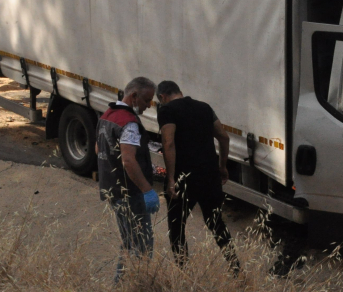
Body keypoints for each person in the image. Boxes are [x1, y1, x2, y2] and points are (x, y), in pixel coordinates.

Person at [156, 80, 239, 271]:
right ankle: (236, 269)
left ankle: (184, 274)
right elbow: (224, 137)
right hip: (209, 176)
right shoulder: (205, 108)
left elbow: (168, 143)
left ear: (162, 97)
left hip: (183, 179)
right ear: (180, 92)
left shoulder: (166, 111)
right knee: (216, 223)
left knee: (177, 227)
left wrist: (170, 179)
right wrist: (222, 166)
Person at [96, 76, 160, 281]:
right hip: (130, 193)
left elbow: (99, 149)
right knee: (141, 246)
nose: (148, 106)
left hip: (112, 190)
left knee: (128, 242)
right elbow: (128, 161)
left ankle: (120, 286)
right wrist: (147, 190)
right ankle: (135, 290)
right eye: (146, 100)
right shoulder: (129, 123)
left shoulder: (107, 115)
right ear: (133, 96)